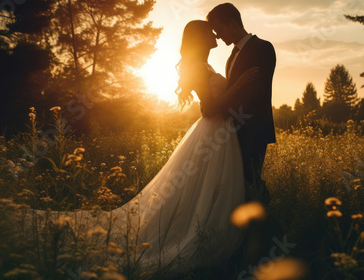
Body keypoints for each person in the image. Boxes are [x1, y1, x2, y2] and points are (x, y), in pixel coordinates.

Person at [22, 20, 260, 277]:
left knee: (207, 188)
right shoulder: (197, 67)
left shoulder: (201, 66)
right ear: (200, 38)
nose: (215, 35)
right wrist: (239, 86)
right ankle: (199, 235)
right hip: (213, 134)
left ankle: (206, 228)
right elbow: (210, 109)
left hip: (219, 134)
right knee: (204, 187)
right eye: (210, 32)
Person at [204, 3, 276, 207]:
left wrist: (220, 109)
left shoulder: (263, 48)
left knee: (250, 180)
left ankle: (269, 221)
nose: (218, 36)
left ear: (233, 23)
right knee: (238, 184)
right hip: (232, 130)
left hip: (252, 128)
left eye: (219, 30)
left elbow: (255, 91)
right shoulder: (231, 57)